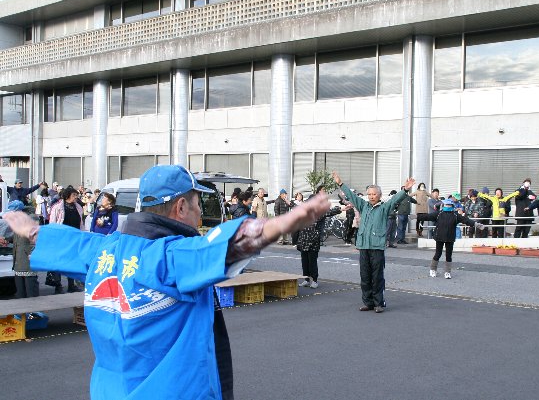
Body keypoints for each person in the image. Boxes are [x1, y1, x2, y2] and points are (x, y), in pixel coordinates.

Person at [2, 164, 330, 400]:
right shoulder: (169, 256)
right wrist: (280, 224)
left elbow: (65, 241)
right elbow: (226, 245)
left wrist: (32, 229)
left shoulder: (103, 249)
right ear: (180, 206)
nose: (200, 214)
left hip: (110, 390)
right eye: (198, 204)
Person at [333, 171, 415, 313]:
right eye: (369, 194)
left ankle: (379, 303)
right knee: (364, 276)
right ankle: (368, 302)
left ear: (379, 195)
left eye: (374, 194)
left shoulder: (384, 208)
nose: (371, 196)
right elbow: (351, 196)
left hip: (377, 247)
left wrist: (405, 190)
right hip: (363, 246)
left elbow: (395, 200)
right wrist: (340, 183)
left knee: (377, 277)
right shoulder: (363, 206)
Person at [421, 199, 484, 279]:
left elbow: (466, 220)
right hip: (439, 237)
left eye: (449, 205)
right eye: (446, 205)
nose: (448, 206)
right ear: (443, 205)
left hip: (450, 237)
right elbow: (427, 216)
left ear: (452, 206)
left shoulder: (455, 215)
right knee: (438, 254)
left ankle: (447, 272)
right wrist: (416, 216)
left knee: (448, 255)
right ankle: (433, 269)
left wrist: (476, 224)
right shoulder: (439, 213)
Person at [297, 197, 344, 289]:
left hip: (313, 241)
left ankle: (314, 280)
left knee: (312, 262)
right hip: (303, 240)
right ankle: (306, 279)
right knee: (304, 262)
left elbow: (329, 212)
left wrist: (340, 209)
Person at [49, 185, 85, 293]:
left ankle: (71, 285)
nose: (76, 197)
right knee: (60, 262)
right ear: (67, 196)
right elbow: (53, 222)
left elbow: (81, 223)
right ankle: (58, 285)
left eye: (76, 195)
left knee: (72, 262)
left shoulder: (78, 207)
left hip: (74, 238)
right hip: (62, 238)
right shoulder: (58, 207)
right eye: (74, 195)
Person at [12, 203, 39, 298]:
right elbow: (16, 238)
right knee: (21, 294)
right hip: (19, 262)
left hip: (27, 262)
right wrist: (5, 239)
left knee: (31, 294)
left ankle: (33, 312)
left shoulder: (31, 220)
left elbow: (35, 241)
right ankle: (24, 312)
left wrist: (31, 254)